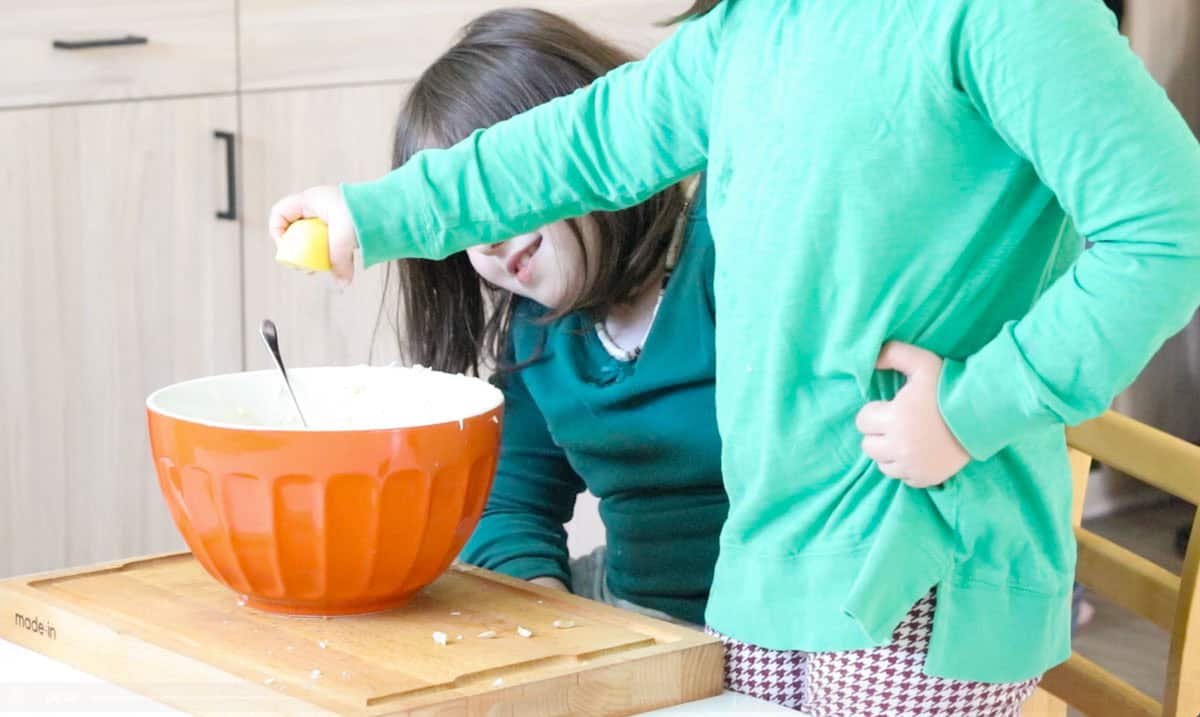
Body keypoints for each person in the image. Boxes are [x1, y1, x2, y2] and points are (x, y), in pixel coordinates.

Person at [270, 1, 1200, 713]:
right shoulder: (750, 30)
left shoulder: (1006, 15)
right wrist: (380, 210)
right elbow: (577, 143)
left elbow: (1172, 232)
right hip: (765, 563)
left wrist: (972, 407)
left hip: (917, 558)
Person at [378, 8, 726, 628]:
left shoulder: (727, 247)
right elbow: (510, 498)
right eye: (461, 225)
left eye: (499, 195)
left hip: (785, 620)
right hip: (637, 610)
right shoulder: (539, 331)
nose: (483, 244)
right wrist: (544, 614)